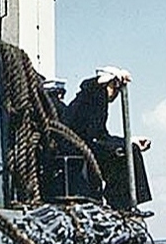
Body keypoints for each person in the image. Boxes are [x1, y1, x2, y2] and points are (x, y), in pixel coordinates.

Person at [64, 66, 152, 212]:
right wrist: (110, 79)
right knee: (124, 153)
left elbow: (102, 134)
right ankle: (120, 203)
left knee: (131, 149)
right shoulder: (94, 94)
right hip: (79, 145)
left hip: (91, 141)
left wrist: (129, 140)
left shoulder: (100, 99)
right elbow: (92, 86)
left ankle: (127, 202)